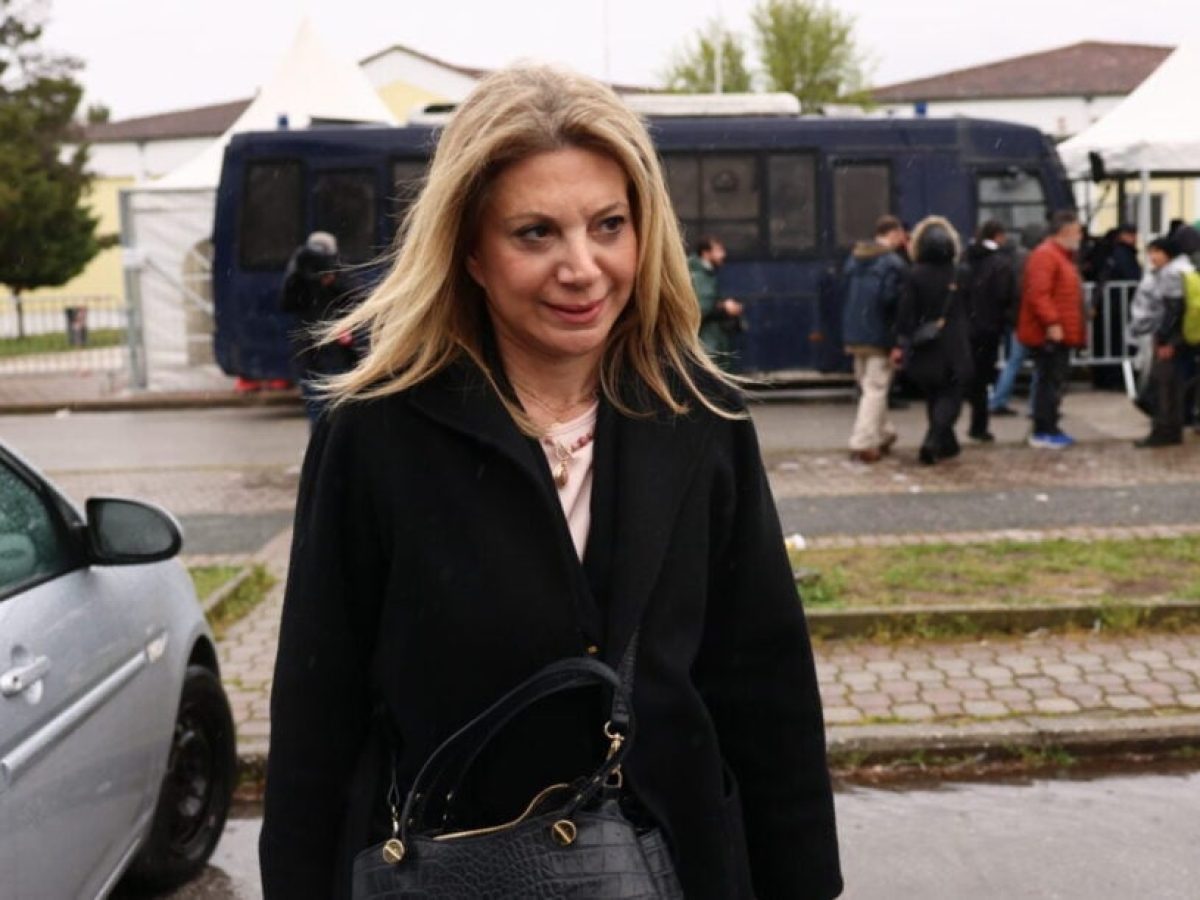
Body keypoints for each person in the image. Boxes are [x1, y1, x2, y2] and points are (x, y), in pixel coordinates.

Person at [258, 65, 842, 900]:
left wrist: (801, 882)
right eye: (535, 233)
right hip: (452, 876)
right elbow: (318, 716)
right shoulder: (376, 434)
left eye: (609, 225)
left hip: (678, 871)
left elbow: (765, 688)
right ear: (470, 252)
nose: (584, 267)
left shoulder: (700, 415)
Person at [892, 215, 973, 465]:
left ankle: (947, 444)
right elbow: (971, 309)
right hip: (955, 345)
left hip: (926, 345)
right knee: (951, 397)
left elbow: (905, 314)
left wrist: (904, 339)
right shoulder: (960, 273)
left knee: (935, 396)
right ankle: (934, 441)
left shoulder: (915, 275)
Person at [841, 214, 907, 462]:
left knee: (869, 388)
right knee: (876, 389)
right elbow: (891, 302)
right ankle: (863, 443)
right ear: (894, 234)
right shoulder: (893, 263)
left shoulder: (855, 258)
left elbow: (844, 296)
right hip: (879, 335)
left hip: (855, 333)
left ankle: (884, 433)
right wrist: (897, 340)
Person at [1018, 210, 1086, 449]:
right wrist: (1052, 323)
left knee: (1053, 382)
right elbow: (1039, 294)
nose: (1080, 236)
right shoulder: (1047, 256)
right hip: (1049, 334)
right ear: (1065, 231)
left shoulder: (1058, 256)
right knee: (1049, 382)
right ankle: (1044, 429)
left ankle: (1049, 426)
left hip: (1059, 331)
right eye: (1077, 231)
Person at [279, 231, 359, 422]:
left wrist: (334, 281)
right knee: (315, 403)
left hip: (336, 349)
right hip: (309, 350)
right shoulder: (300, 273)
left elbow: (356, 298)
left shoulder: (340, 269)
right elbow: (286, 303)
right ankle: (320, 436)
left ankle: (332, 435)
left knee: (336, 404)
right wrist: (298, 275)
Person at [1131, 236, 1192, 446]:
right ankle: (1171, 429)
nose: (1152, 257)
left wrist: (1166, 341)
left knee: (1163, 385)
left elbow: (1174, 310)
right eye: (1150, 252)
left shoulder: (1171, 274)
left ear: (1169, 253)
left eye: (1157, 252)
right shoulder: (1182, 269)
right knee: (1172, 384)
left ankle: (1164, 430)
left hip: (1170, 338)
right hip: (1180, 337)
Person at [963, 220, 1018, 442]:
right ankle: (979, 426)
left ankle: (965, 423)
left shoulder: (966, 258)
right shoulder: (1000, 263)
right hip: (989, 327)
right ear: (999, 236)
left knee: (968, 377)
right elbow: (1006, 295)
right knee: (983, 378)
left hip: (965, 326)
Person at [989, 222, 1043, 417]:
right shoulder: (1033, 260)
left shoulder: (1013, 259)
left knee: (1013, 362)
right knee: (1040, 364)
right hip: (1030, 319)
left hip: (1015, 318)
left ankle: (998, 400)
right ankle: (1036, 405)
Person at [688, 236, 744, 370]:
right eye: (718, 250)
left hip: (708, 346)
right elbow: (700, 310)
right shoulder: (701, 276)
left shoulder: (703, 274)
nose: (723, 254)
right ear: (705, 253)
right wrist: (725, 309)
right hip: (708, 346)